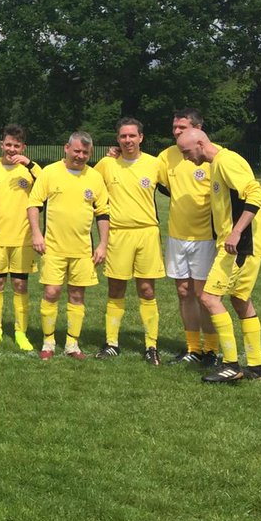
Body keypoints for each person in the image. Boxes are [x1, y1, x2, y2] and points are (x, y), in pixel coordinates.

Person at [176, 128, 261, 383]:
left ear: (200, 143)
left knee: (208, 297)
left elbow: (257, 193)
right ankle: (256, 367)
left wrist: (236, 233)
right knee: (240, 300)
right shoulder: (217, 164)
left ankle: (230, 364)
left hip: (239, 246)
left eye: (186, 152)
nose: (185, 158)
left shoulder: (226, 161)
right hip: (240, 246)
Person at [26, 132, 110, 360]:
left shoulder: (94, 177)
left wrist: (102, 244)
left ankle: (72, 345)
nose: (80, 156)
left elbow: (103, 213)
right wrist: (36, 234)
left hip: (83, 249)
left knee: (76, 295)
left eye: (85, 152)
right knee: (51, 292)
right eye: (77, 151)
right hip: (53, 247)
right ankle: (48, 342)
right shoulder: (50, 173)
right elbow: (34, 204)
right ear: (66, 148)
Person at [93, 118, 165, 364]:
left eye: (132, 136)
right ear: (117, 139)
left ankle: (151, 345)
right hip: (117, 233)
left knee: (146, 289)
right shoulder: (106, 164)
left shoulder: (155, 164)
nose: (127, 140)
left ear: (141, 137)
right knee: (116, 289)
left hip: (147, 233)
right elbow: (87, 183)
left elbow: (176, 188)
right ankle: (111, 343)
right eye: (123, 136)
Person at [157, 109, 219, 365]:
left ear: (198, 129)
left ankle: (212, 349)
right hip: (176, 236)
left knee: (205, 295)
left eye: (182, 128)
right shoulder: (167, 156)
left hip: (205, 236)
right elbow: (145, 173)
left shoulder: (213, 154)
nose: (176, 132)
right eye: (174, 127)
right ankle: (193, 348)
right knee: (184, 292)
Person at [0, 124, 41, 351]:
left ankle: (21, 332)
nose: (12, 149)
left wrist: (30, 164)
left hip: (23, 238)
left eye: (16, 145)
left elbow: (47, 184)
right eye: (8, 144)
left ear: (23, 147)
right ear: (1, 144)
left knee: (20, 285)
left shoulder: (30, 170)